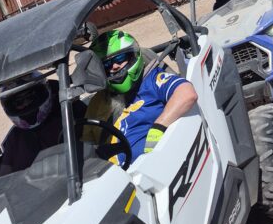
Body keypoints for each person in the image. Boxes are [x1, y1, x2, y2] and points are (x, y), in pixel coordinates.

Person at [84, 29, 198, 164]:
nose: (114, 66)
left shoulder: (152, 80)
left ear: (133, 56)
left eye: (120, 59)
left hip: (152, 168)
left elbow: (187, 93)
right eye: (106, 64)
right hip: (109, 174)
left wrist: (159, 126)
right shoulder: (98, 101)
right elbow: (86, 143)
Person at [0, 72, 83, 176]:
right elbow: (4, 175)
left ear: (42, 93)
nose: (26, 104)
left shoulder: (67, 118)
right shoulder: (15, 137)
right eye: (18, 102)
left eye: (30, 97)